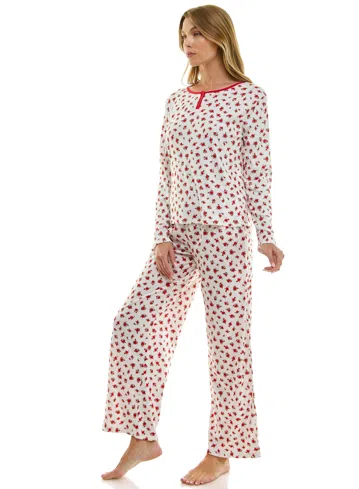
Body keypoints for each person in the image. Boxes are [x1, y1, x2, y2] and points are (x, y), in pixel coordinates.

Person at [101, 5, 285, 486]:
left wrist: (266, 234)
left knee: (228, 346)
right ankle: (142, 437)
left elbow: (258, 170)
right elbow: (166, 171)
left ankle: (220, 453)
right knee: (132, 323)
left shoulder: (249, 97)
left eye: (198, 33)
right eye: (185, 34)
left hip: (226, 233)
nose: (189, 41)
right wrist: (160, 235)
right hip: (177, 238)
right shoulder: (176, 101)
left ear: (220, 38)